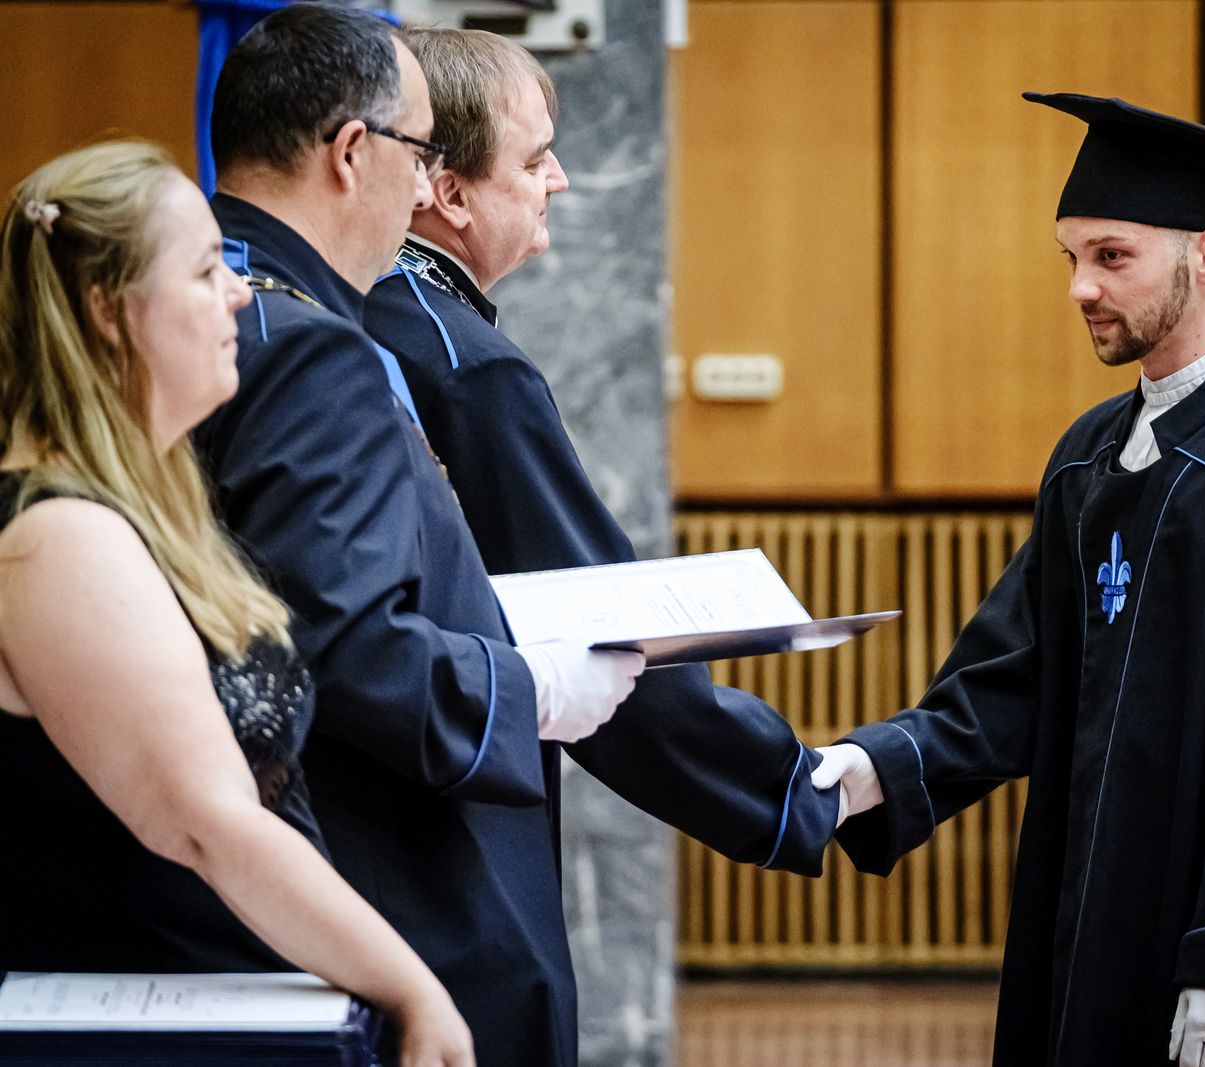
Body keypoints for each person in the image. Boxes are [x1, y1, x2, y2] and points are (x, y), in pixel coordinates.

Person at [195, 10, 838, 1065]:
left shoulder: (220, 310)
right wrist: (536, 689)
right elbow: (352, 643)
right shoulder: (328, 350)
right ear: (356, 153)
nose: (421, 186)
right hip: (398, 854)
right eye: (417, 153)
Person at [810, 93, 1205, 1066]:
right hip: (1085, 915)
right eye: (1071, 257)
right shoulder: (1088, 456)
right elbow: (1013, 674)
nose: (1080, 287)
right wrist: (871, 768)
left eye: (1111, 256)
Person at [0, 140, 473, 1067]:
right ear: (108, 310)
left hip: (228, 1008)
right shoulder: (57, 535)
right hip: (145, 1033)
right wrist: (416, 992)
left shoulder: (140, 502)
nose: (241, 295)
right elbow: (208, 821)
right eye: (206, 270)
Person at [364, 25, 850, 857]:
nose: (558, 179)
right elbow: (588, 621)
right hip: (443, 812)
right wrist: (795, 793)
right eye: (534, 161)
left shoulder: (359, 306)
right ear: (449, 194)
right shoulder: (468, 367)